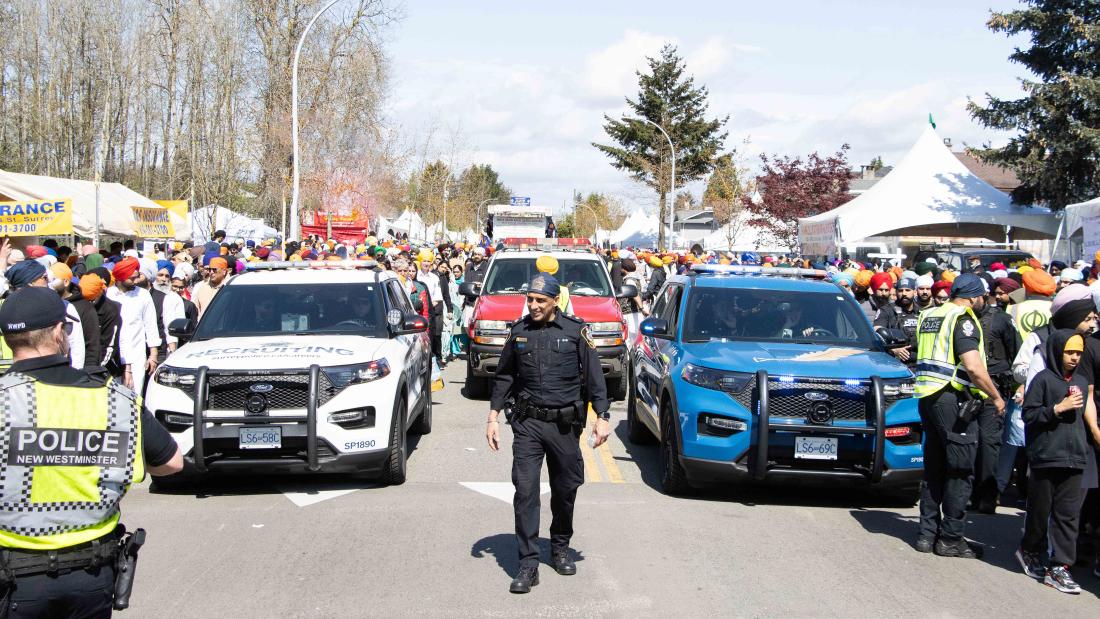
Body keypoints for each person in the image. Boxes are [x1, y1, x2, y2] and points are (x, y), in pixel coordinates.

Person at [0, 286, 183, 616]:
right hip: (92, 573)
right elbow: (171, 462)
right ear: (59, 331)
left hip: (14, 576)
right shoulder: (114, 399)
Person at [486, 272, 610, 594]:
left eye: (541, 300)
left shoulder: (575, 331)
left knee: (565, 489)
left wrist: (602, 416)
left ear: (555, 301)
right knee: (525, 490)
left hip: (564, 425)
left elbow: (594, 377)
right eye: (530, 299)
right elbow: (504, 377)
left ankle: (559, 546)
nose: (534, 305)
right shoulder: (519, 332)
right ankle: (528, 565)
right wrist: (493, 416)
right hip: (528, 424)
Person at [913, 273, 1006, 558]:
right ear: (974, 297)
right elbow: (974, 367)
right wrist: (996, 396)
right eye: (982, 297)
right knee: (960, 469)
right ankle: (950, 539)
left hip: (928, 397)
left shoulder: (930, 314)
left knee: (934, 468)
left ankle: (927, 535)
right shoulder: (963, 319)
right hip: (952, 400)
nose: (984, 301)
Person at [1016, 330, 1095, 594]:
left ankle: (1059, 567)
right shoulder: (1043, 379)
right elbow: (1029, 415)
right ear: (1057, 351)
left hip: (1075, 458)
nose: (1074, 358)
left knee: (1068, 515)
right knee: (1040, 511)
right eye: (1069, 352)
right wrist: (1057, 409)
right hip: (1046, 456)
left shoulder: (1081, 381)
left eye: (1078, 353)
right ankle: (1030, 549)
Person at [973, 277, 1021, 513]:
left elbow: (1016, 353)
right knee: (969, 441)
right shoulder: (960, 318)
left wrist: (1015, 387)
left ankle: (987, 497)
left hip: (995, 389)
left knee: (989, 442)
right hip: (968, 388)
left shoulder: (1001, 319)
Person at [105, 258, 161, 394]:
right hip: (113, 355)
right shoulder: (108, 294)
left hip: (136, 354)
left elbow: (150, 325)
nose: (136, 281)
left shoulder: (143, 295)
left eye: (137, 277)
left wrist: (153, 355)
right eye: (132, 278)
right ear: (120, 277)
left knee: (134, 395)